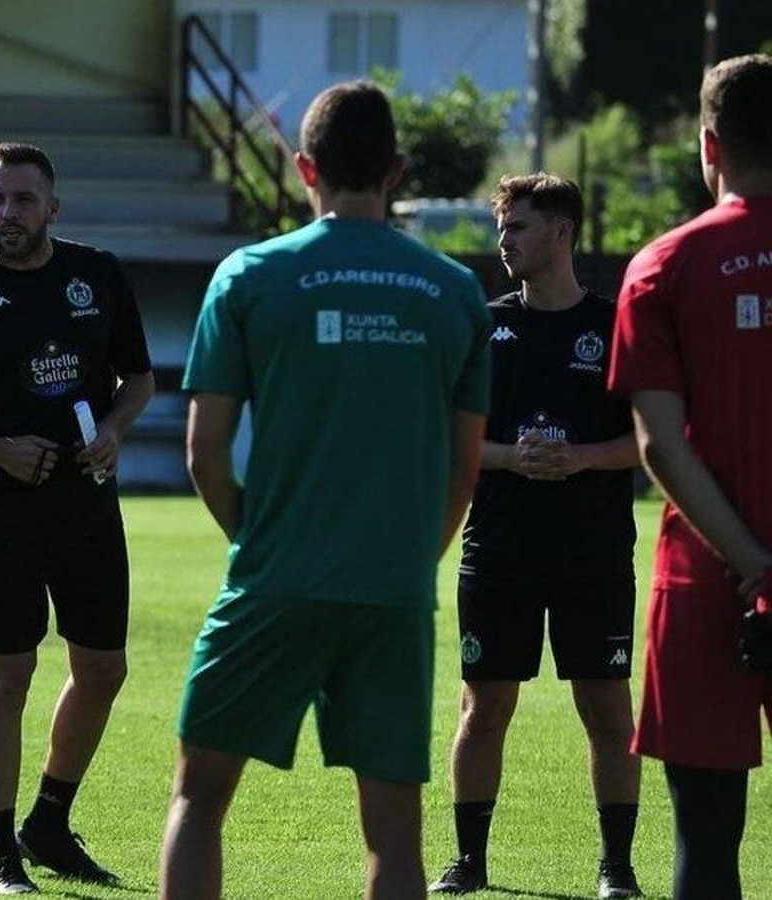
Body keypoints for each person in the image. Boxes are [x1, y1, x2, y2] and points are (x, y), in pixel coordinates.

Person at [159, 80, 490, 899]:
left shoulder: (249, 275)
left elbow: (203, 453)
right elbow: (465, 465)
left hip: (274, 577)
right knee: (395, 839)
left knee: (199, 799)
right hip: (393, 587)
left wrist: (260, 541)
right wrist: (414, 556)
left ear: (305, 167)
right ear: (398, 170)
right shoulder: (454, 290)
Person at [0, 142, 153, 893]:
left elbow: (138, 377)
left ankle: (49, 822)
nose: (7, 213)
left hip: (87, 504)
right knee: (8, 678)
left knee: (103, 669)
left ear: (53, 207)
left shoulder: (98, 276)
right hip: (1, 512)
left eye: (23, 199)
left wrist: (115, 429)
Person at [430, 174, 642, 899]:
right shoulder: (483, 325)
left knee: (609, 709)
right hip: (499, 547)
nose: (503, 240)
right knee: (483, 707)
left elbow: (652, 442)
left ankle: (616, 867)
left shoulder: (617, 326)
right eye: (502, 226)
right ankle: (469, 862)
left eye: (518, 226)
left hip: (594, 550)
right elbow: (446, 437)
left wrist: (582, 457)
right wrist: (509, 457)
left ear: (562, 231)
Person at [608, 53, 772, 900]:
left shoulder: (664, 265)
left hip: (706, 577)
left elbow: (662, 448)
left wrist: (755, 565)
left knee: (704, 844)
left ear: (708, 145)